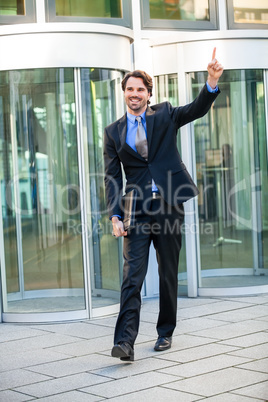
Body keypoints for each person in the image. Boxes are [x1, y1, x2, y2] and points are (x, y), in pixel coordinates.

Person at [103, 48, 224, 362]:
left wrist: (211, 83)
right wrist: (115, 214)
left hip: (169, 205)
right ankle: (124, 342)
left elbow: (196, 110)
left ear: (148, 93)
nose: (134, 94)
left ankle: (165, 332)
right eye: (129, 89)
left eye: (140, 89)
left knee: (168, 272)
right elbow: (112, 177)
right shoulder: (113, 132)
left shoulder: (166, 114)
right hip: (137, 211)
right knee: (132, 276)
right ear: (124, 93)